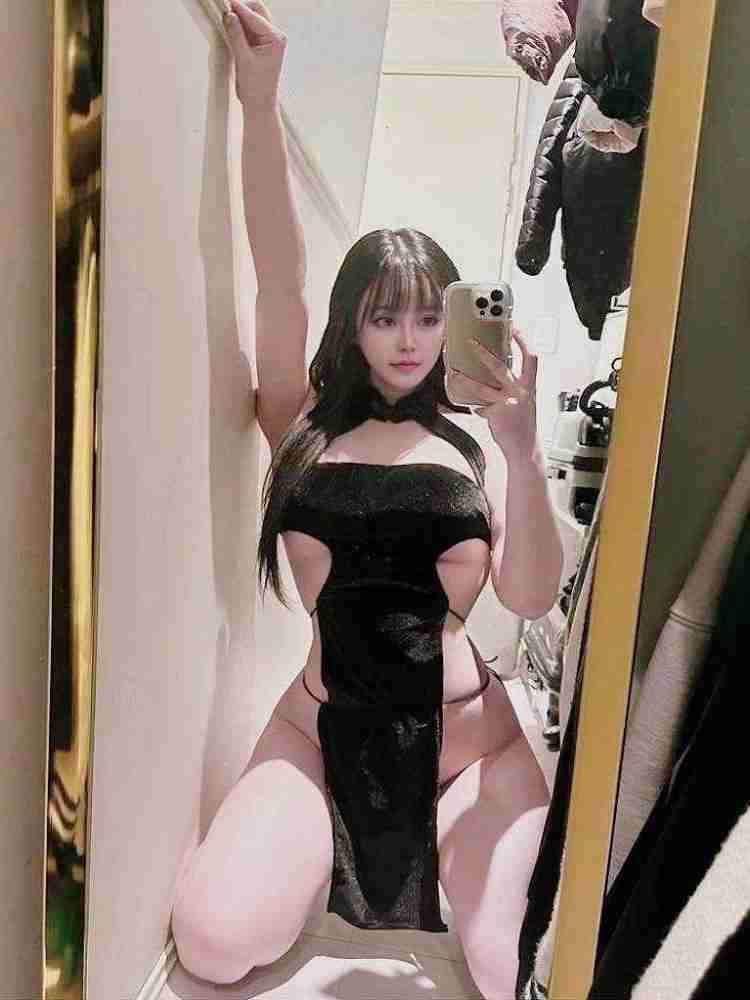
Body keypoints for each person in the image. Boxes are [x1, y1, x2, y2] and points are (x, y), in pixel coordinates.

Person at [170, 2, 564, 997]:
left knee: (510, 970)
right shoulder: (301, 422)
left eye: (429, 317)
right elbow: (279, 278)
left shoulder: (478, 441)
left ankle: (441, 849)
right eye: (385, 317)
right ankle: (317, 846)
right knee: (213, 941)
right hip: (322, 733)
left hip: (467, 745)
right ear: (353, 324)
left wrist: (520, 454)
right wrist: (259, 100)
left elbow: (527, 597)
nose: (409, 339)